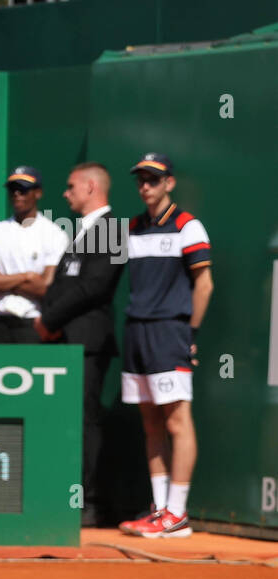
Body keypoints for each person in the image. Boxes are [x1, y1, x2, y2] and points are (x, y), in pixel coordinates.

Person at [115, 154, 214, 538]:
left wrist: (190, 334)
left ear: (169, 183)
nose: (145, 186)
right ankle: (160, 511)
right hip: (136, 332)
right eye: (140, 180)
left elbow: (203, 285)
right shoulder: (132, 229)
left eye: (153, 180)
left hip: (170, 333)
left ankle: (178, 513)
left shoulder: (188, 226)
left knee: (177, 420)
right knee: (151, 422)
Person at [35, 162, 125, 528]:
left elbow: (96, 287)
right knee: (63, 420)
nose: (65, 193)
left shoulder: (113, 229)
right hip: (62, 340)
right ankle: (62, 496)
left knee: (86, 420)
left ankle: (89, 502)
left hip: (88, 341)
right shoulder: (79, 231)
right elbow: (61, 284)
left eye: (71, 187)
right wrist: (49, 320)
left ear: (91, 187)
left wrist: (50, 320)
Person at [0, 165, 69, 343]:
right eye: (12, 189)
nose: (17, 194)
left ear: (38, 193)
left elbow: (45, 288)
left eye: (23, 189)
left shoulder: (54, 234)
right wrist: (27, 276)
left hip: (33, 324)